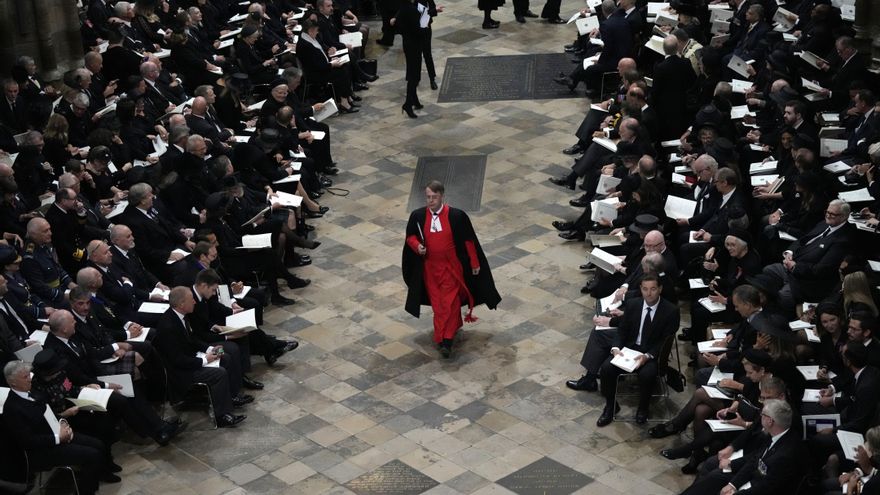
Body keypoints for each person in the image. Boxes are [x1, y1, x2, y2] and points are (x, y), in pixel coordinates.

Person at [402, 180, 500, 358]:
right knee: (439, 305)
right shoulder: (418, 216)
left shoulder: (456, 216)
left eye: (434, 197)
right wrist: (418, 247)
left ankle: (444, 340)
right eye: (428, 197)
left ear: (442, 196)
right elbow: (410, 237)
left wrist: (475, 264)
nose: (430, 201)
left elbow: (469, 242)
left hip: (451, 268)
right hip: (430, 270)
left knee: (450, 303)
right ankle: (446, 334)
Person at [595, 274, 680, 426]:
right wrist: (615, 348)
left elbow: (664, 341)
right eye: (645, 289)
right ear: (640, 289)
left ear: (660, 289)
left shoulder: (670, 311)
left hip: (651, 353)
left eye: (653, 289)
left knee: (647, 375)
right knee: (606, 368)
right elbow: (622, 331)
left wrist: (647, 356)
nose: (649, 293)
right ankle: (611, 405)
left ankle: (643, 408)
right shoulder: (633, 304)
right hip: (630, 348)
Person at [393, 0, 426, 118]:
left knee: (413, 72)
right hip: (414, 45)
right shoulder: (411, 10)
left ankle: (415, 100)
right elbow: (418, 30)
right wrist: (425, 27)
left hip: (408, 43)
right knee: (414, 76)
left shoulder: (403, 7)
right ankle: (408, 104)